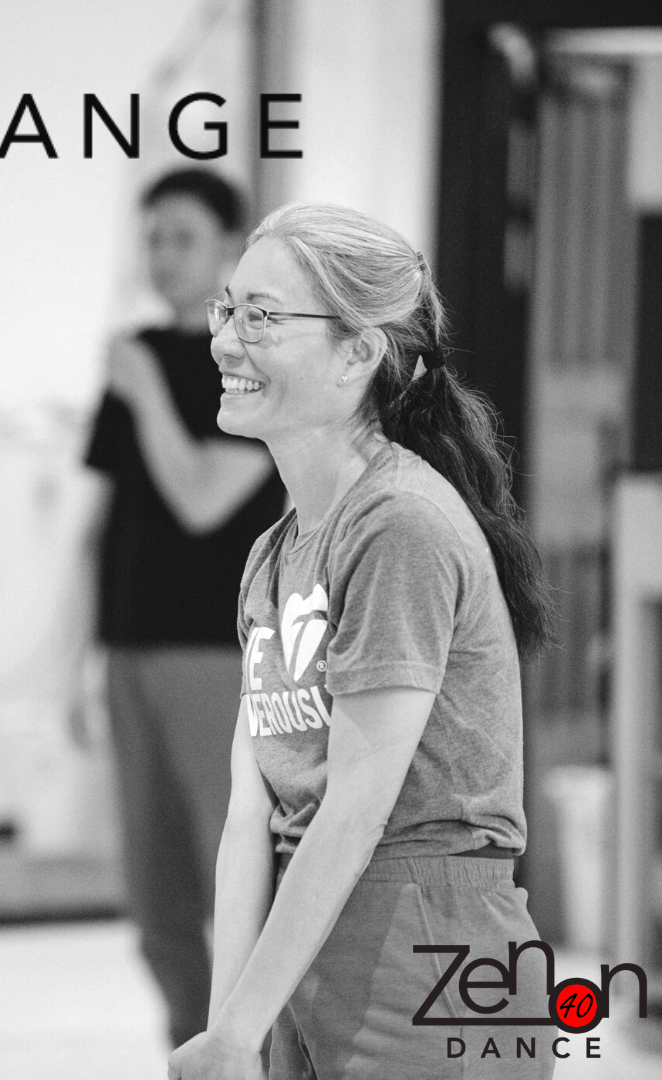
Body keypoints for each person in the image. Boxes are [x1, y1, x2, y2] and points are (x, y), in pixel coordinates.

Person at [167, 204, 557, 1080]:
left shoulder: (398, 523)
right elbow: (251, 815)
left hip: (431, 954)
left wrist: (242, 1028)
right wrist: (229, 1030)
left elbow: (354, 810)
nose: (226, 341)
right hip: (307, 946)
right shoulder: (275, 552)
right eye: (228, 310)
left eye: (262, 317)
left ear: (357, 353)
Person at [84, 169, 285, 1048]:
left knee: (231, 877)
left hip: (216, 651)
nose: (162, 255)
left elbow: (201, 498)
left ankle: (257, 1049)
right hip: (128, 648)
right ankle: (192, 1046)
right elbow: (102, 521)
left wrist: (149, 395)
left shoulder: (255, 364)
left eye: (183, 238)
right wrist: (75, 655)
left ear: (233, 250)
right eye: (153, 238)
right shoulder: (137, 352)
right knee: (151, 891)